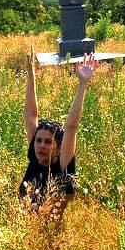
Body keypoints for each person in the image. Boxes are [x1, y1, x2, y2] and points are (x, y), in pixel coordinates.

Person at [18, 47, 98, 207]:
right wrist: (31, 75)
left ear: (59, 147)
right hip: (25, 226)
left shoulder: (62, 167)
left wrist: (83, 83)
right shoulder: (35, 159)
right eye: (38, 140)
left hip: (52, 230)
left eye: (48, 142)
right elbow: (31, 115)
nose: (41, 145)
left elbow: (71, 127)